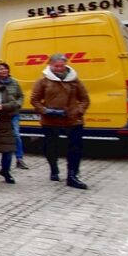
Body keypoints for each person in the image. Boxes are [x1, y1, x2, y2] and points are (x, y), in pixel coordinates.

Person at [31, 53, 90, 189]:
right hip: (51, 119)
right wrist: (45, 110)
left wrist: (78, 111)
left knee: (75, 147)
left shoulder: (74, 80)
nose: (59, 68)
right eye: (56, 66)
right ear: (50, 65)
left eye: (62, 66)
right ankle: (54, 168)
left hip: (72, 119)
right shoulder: (43, 81)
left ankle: (72, 175)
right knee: (51, 147)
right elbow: (34, 100)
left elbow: (85, 99)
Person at [0, 61, 29, 169]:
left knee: (16, 135)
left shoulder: (14, 82)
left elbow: (21, 96)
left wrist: (17, 104)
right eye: (1, 69)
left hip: (13, 113)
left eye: (5, 68)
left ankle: (19, 158)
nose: (3, 71)